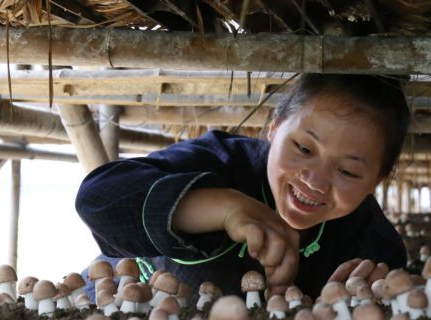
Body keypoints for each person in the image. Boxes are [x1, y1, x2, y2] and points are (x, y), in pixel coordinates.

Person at [75, 74, 409, 301]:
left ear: (377, 181)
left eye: (348, 171)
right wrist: (222, 206)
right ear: (275, 129)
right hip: (107, 310)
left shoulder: (373, 246)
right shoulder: (220, 160)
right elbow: (97, 199)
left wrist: (353, 302)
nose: (315, 181)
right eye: (304, 149)